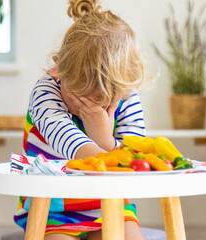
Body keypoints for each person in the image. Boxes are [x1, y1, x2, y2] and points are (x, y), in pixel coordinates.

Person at [14, 0, 146, 239]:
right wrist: (100, 149)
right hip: (53, 206)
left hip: (108, 202)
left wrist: (107, 141)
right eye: (78, 98)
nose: (86, 107)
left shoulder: (125, 91)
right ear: (58, 68)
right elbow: (64, 135)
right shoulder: (46, 89)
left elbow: (137, 155)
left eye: (101, 102)